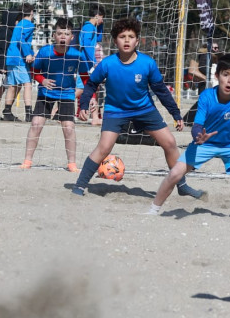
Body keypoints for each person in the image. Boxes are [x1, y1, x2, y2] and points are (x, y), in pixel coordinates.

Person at [72, 17, 204, 199]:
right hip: (115, 110)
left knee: (170, 143)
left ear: (136, 40)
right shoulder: (107, 63)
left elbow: (161, 91)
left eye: (131, 36)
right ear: (115, 40)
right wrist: (84, 104)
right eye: (122, 36)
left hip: (144, 109)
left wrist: (176, 114)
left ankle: (181, 185)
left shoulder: (147, 63)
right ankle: (79, 185)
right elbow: (91, 84)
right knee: (104, 147)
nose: (126, 40)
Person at [145, 54, 230, 223]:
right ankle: (153, 211)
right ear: (217, 76)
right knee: (175, 173)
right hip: (205, 143)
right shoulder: (207, 96)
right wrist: (199, 137)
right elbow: (197, 125)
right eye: (226, 74)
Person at [21, 18, 91, 171]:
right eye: (60, 33)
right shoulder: (45, 52)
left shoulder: (77, 55)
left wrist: (89, 98)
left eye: (66, 34)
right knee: (36, 124)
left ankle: (72, 163)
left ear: (72, 37)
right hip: (46, 92)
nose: (63, 37)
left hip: (67, 94)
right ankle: (27, 161)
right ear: (54, 35)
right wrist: (42, 80)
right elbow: (34, 71)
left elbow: (86, 78)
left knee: (68, 128)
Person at [3, 3, 36, 122]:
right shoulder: (28, 24)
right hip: (19, 58)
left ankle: (7, 111)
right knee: (27, 84)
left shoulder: (19, 24)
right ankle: (29, 113)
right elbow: (21, 40)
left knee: (13, 85)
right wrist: (27, 53)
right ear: (31, 12)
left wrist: (31, 53)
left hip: (11, 57)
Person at [0, 8, 22, 120]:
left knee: (4, 88)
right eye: (17, 20)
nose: (18, 22)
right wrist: (2, 68)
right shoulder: (5, 32)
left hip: (7, 65)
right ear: (11, 20)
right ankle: (6, 111)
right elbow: (2, 51)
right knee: (12, 86)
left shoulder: (10, 31)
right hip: (5, 66)